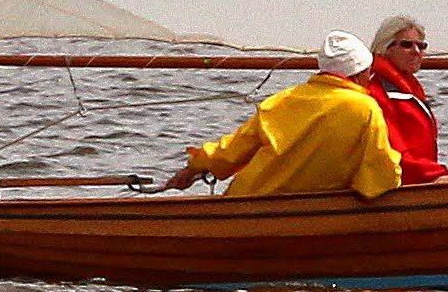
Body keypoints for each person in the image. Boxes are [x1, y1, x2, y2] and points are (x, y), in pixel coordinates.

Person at [164, 34, 404, 197]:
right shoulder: (365, 108)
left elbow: (229, 153)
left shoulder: (282, 100)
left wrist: (195, 167)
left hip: (244, 202)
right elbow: (381, 173)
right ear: (361, 73)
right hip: (303, 213)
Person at [357, 14, 448, 183]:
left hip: (419, 181)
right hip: (401, 185)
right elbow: (390, 151)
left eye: (421, 46)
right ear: (385, 48)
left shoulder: (409, 88)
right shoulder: (376, 91)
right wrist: (437, 177)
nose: (416, 52)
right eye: (406, 45)